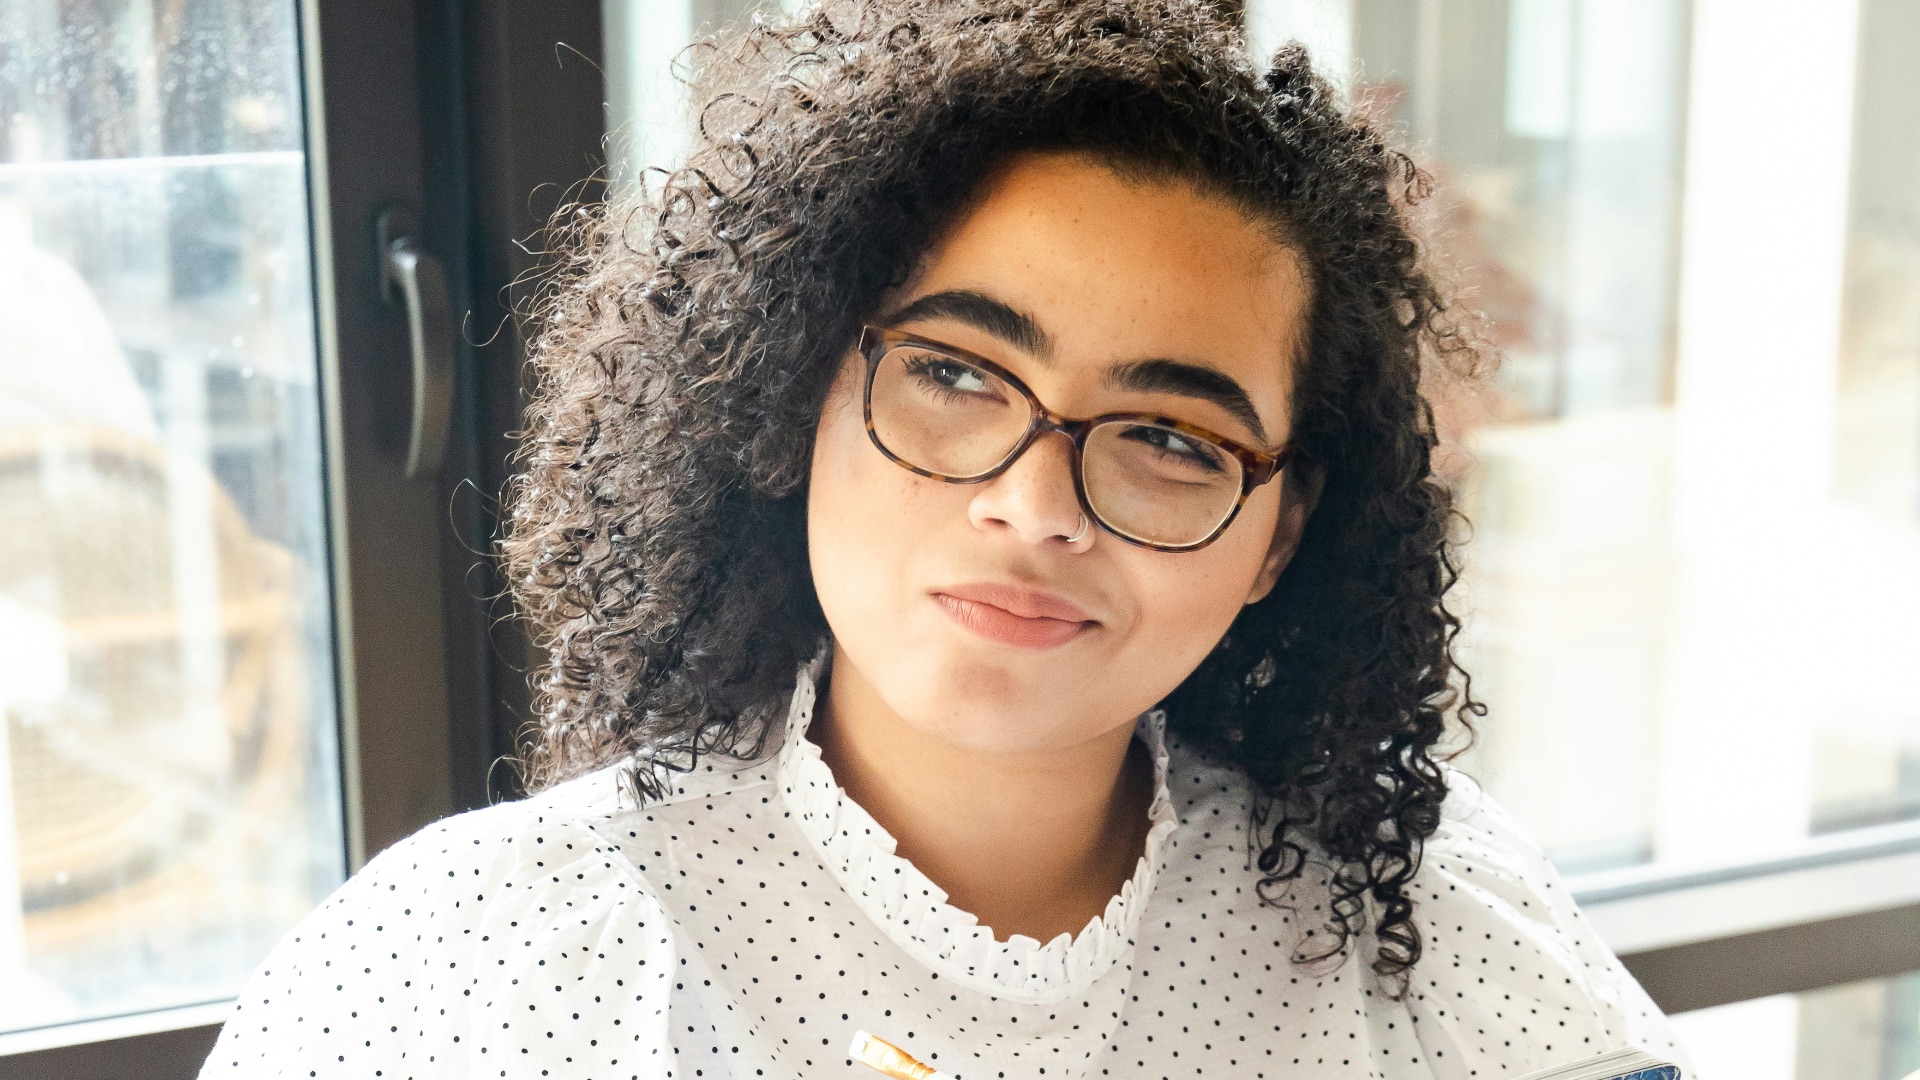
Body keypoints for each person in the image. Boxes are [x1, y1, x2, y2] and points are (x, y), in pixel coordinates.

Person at [201, 2, 1685, 1076]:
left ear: (1282, 534)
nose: (1032, 506)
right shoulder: (469, 960)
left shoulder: (1416, 914)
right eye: (960, 375)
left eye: (1171, 439)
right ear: (793, 393)